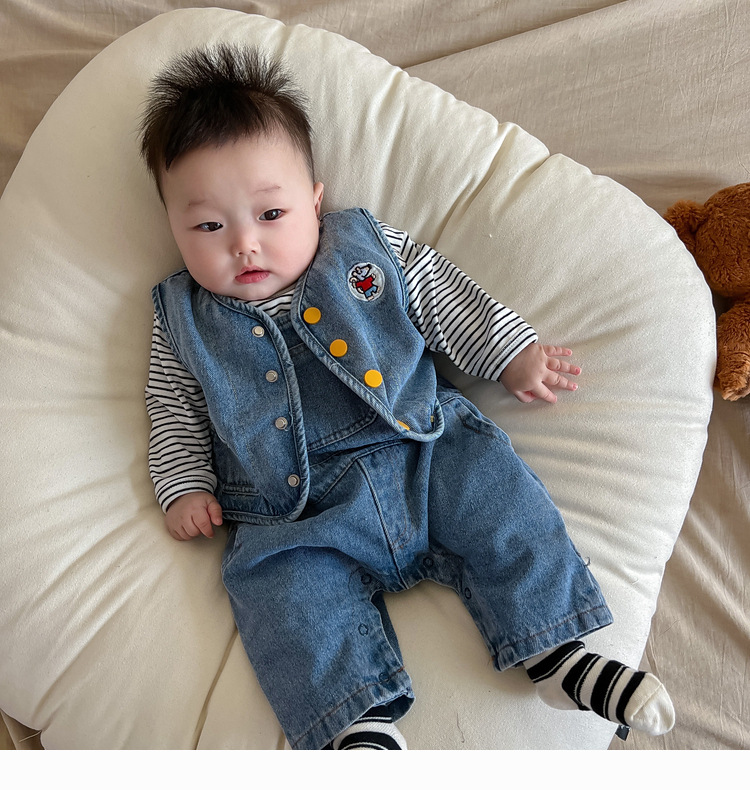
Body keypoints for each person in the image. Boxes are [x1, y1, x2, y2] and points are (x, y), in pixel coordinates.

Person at [141, 44, 675, 750]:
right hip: (293, 512)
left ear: (315, 201)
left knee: (499, 501)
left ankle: (557, 652)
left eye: (271, 213)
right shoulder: (182, 319)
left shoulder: (364, 251)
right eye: (208, 227)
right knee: (282, 596)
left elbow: (442, 297)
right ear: (173, 228)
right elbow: (172, 408)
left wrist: (508, 353)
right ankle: (356, 723)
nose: (245, 244)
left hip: (422, 449)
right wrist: (183, 485)